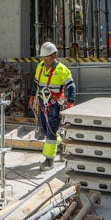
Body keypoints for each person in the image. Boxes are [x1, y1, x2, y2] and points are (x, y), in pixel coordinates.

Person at [29, 41, 76, 169]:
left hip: (54, 105)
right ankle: (60, 144)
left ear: (54, 55)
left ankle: (49, 160)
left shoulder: (61, 70)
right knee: (45, 130)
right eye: (43, 58)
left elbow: (71, 86)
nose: (45, 60)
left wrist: (70, 103)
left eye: (47, 57)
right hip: (41, 103)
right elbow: (35, 83)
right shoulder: (40, 67)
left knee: (50, 131)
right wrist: (32, 96)